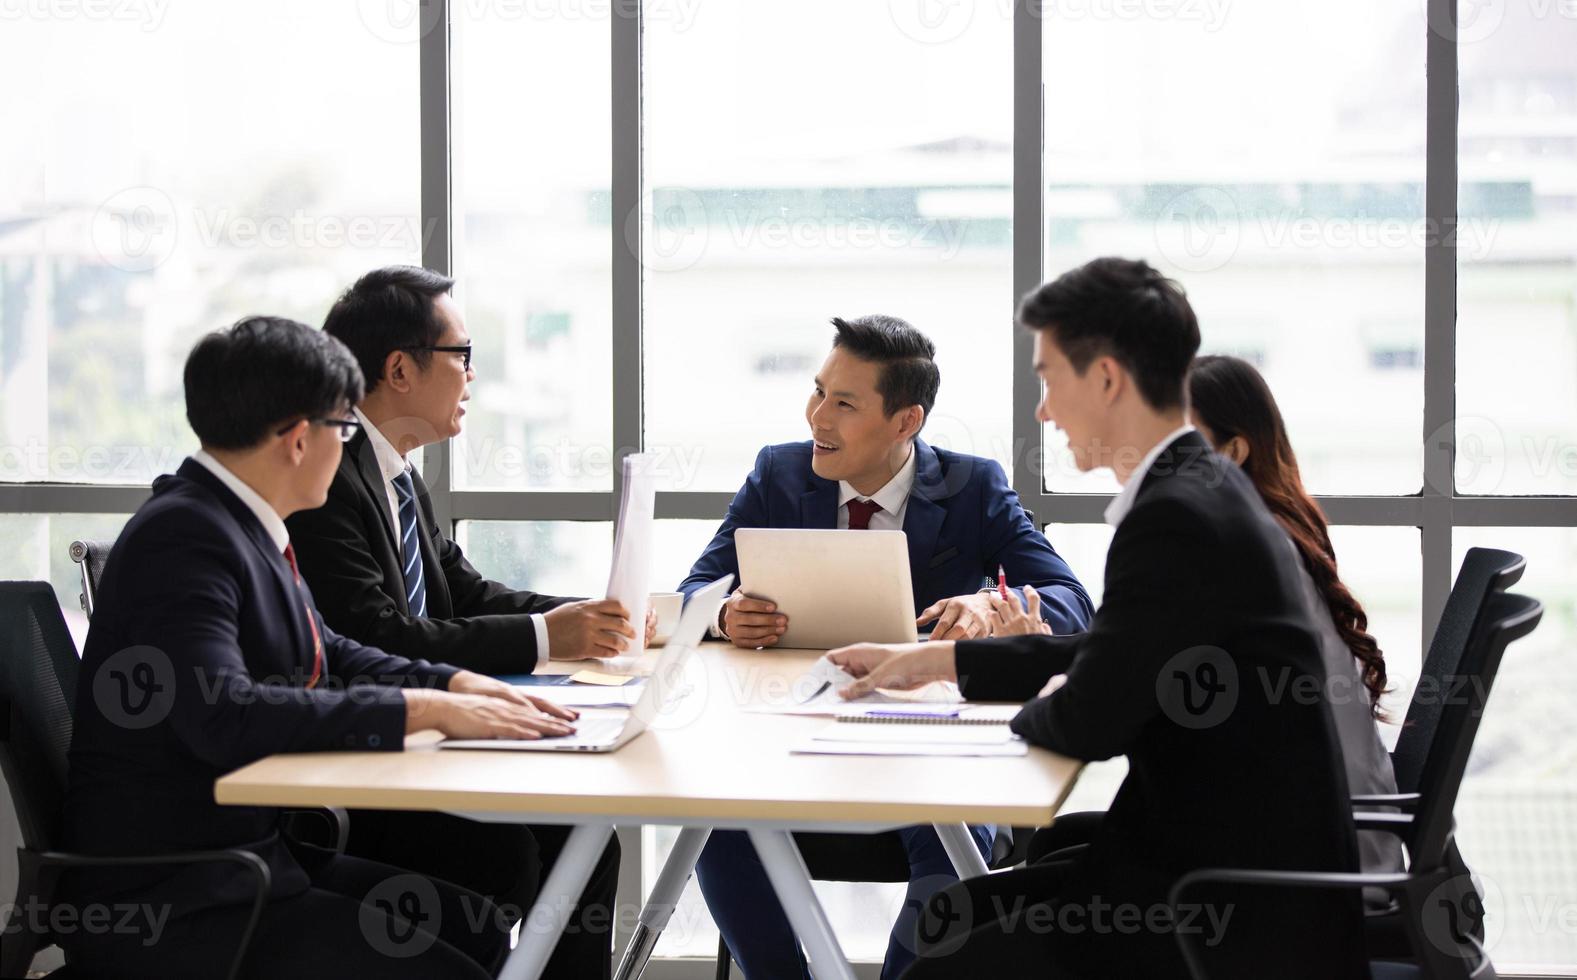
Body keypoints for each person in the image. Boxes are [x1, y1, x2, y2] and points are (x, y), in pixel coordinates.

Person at [830, 259, 1367, 979]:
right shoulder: (1200, 491)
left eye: (1049, 379)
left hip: (1216, 906)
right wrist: (945, 663)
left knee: (949, 950)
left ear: (1107, 379)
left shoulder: (1175, 516)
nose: (1042, 411)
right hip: (1226, 870)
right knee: (951, 918)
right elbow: (1120, 650)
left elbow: (1089, 721)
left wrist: (1043, 702)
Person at [62, 316, 579, 979]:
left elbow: (328, 650)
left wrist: (450, 685)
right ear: (298, 439)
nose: (349, 450)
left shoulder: (241, 522)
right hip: (180, 896)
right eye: (343, 429)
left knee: (476, 929)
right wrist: (420, 713)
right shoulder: (185, 538)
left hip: (254, 861)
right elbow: (226, 714)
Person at [680, 314, 1093, 980]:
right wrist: (726, 615)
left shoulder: (972, 487)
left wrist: (991, 605)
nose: (817, 416)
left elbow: (1072, 602)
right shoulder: (778, 475)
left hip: (924, 754)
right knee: (714, 826)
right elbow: (697, 588)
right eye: (817, 392)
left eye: (843, 403)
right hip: (788, 745)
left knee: (951, 838)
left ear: (905, 422)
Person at [284, 266, 630, 977]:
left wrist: (587, 620)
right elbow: (376, 633)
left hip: (418, 742)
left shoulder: (397, 475)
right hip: (359, 768)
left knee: (586, 838)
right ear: (400, 369)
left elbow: (464, 592)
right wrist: (546, 638)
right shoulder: (326, 477)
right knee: (527, 847)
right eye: (463, 355)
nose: (473, 376)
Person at [993, 354, 1406, 878]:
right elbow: (1145, 657)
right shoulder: (1268, 537)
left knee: (983, 918)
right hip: (1311, 831)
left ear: (1233, 451)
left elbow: (1123, 693)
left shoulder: (1229, 550)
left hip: (1297, 861)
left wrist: (1054, 690)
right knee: (1062, 843)